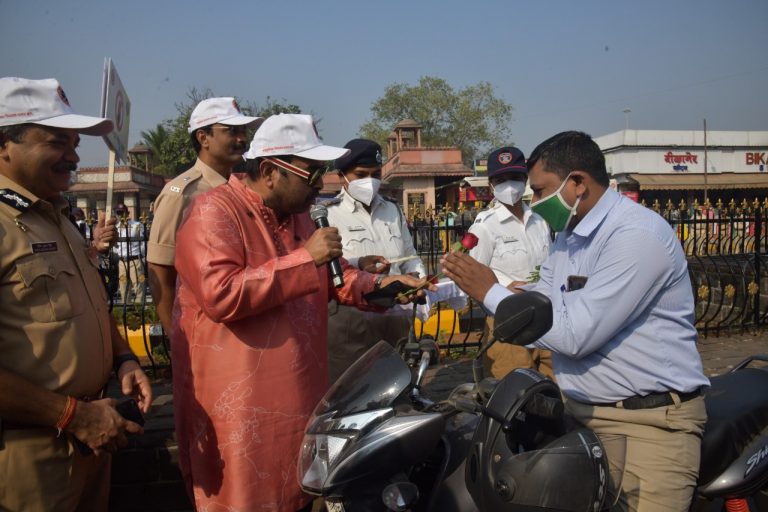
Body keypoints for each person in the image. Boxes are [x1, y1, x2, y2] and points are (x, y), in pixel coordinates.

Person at [171, 114, 431, 511]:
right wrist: (304, 260)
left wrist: (384, 288)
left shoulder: (300, 218)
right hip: (242, 414)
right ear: (270, 172)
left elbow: (334, 276)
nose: (319, 185)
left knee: (303, 495)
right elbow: (220, 294)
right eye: (311, 174)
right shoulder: (213, 212)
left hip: (303, 402)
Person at [442, 131, 709, 512]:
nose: (534, 201)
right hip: (581, 415)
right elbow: (544, 304)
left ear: (578, 183)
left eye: (540, 190)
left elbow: (576, 334)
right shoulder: (569, 238)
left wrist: (489, 290)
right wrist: (485, 287)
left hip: (647, 426)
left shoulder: (635, 235)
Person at [0, 76, 153, 511]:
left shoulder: (57, 217)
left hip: (93, 437)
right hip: (30, 453)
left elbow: (85, 307)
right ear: (3, 145)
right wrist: (72, 416)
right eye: (55, 142)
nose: (72, 155)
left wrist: (122, 357)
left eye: (73, 142)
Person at [147, 97, 262, 334]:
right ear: (203, 138)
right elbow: (160, 271)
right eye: (232, 131)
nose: (242, 138)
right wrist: (176, 337)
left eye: (243, 131)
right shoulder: (180, 194)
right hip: (201, 331)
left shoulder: (242, 188)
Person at [325, 138, 427, 382]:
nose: (369, 181)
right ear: (342, 176)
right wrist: (360, 261)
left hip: (396, 315)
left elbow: (410, 256)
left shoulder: (393, 210)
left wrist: (419, 279)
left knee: (399, 383)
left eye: (375, 173)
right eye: (360, 174)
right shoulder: (328, 214)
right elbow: (333, 269)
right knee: (352, 388)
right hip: (352, 322)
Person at [467, 146, 553, 379]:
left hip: (546, 318)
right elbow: (471, 279)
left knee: (555, 391)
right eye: (501, 179)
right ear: (491, 185)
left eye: (515, 178)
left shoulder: (540, 220)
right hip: (507, 322)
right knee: (516, 394)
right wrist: (503, 290)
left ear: (525, 180)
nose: (509, 185)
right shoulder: (484, 226)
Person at [113, 203, 146, 304]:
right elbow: (114, 244)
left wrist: (141, 256)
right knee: (123, 286)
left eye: (122, 212)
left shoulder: (137, 225)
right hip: (122, 261)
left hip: (135, 259)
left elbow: (143, 242)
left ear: (127, 213)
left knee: (138, 284)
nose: (120, 215)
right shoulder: (116, 227)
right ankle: (126, 308)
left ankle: (139, 309)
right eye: (118, 213)